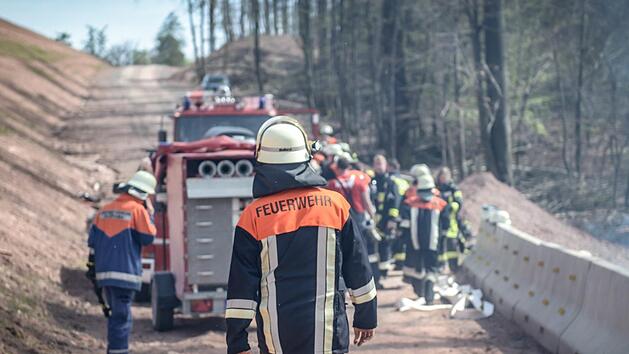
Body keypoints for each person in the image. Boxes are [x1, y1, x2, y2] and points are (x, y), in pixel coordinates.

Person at [226, 116, 377, 354]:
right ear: (306, 156)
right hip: (329, 334)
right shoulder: (335, 205)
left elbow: (241, 287)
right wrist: (366, 316)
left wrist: (237, 341)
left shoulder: (252, 217)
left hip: (277, 338)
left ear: (262, 161)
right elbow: (357, 265)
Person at [86, 171, 157, 354]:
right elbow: (148, 237)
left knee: (116, 316)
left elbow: (92, 243)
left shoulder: (104, 210)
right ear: (143, 194)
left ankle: (115, 350)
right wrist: (150, 214)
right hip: (125, 274)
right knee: (121, 318)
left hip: (104, 274)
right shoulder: (137, 210)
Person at [327, 155, 381, 287]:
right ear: (349, 167)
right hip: (360, 219)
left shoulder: (333, 184)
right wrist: (373, 216)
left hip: (342, 220)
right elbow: (366, 201)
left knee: (345, 251)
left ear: (338, 168)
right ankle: (370, 278)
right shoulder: (359, 179)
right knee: (364, 249)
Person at [399, 174, 449, 305]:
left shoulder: (409, 204)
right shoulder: (441, 204)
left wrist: (403, 239)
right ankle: (429, 291)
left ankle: (421, 291)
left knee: (417, 269)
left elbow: (404, 225)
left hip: (414, 243)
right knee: (431, 268)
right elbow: (445, 226)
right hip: (433, 244)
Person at [371, 155, 403, 279]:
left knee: (384, 246)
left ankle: (383, 273)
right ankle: (375, 276)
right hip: (373, 221)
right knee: (373, 249)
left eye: (381, 164)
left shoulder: (391, 182)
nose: (378, 167)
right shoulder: (371, 181)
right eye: (376, 164)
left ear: (386, 166)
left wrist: (392, 220)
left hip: (385, 221)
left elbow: (395, 203)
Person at [435, 167, 464, 272]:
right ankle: (440, 267)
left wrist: (451, 207)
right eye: (441, 177)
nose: (443, 179)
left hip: (451, 221)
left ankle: (454, 267)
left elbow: (459, 202)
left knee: (451, 245)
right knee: (439, 245)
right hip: (438, 220)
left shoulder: (453, 188)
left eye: (445, 177)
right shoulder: (435, 188)